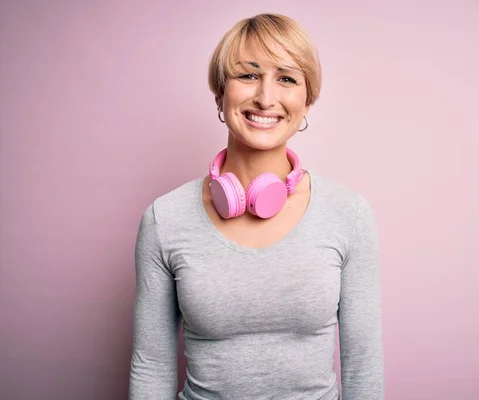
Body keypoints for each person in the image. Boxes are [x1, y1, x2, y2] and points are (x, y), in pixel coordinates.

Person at [128, 13, 384, 400]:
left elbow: (363, 364)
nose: (266, 97)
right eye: (248, 75)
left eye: (287, 78)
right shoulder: (165, 219)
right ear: (220, 93)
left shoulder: (348, 214)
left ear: (307, 101)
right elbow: (151, 366)